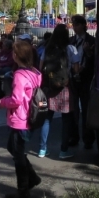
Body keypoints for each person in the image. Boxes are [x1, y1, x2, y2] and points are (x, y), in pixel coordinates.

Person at [0, 39, 42, 198]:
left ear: (17, 55)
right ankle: (32, 178)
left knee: (18, 153)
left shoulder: (20, 76)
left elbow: (16, 100)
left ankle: (24, 187)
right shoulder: (35, 72)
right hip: (29, 115)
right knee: (14, 148)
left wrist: (1, 103)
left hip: (20, 118)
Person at [38, 24, 79, 159]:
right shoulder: (71, 49)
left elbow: (40, 67)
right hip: (64, 87)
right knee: (66, 120)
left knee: (47, 119)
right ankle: (63, 151)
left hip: (50, 88)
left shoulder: (47, 49)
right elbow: (76, 70)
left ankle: (43, 149)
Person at [68, 14, 95, 150]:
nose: (75, 27)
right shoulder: (71, 41)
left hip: (85, 79)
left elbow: (96, 61)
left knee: (86, 109)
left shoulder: (92, 40)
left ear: (84, 26)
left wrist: (89, 53)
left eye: (77, 25)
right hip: (73, 78)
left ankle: (88, 138)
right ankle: (74, 136)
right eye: (73, 25)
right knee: (73, 109)